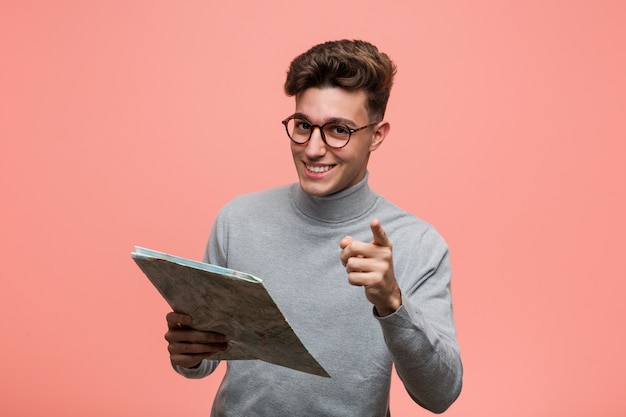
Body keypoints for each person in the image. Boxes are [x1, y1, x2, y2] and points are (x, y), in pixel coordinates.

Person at [164, 39, 463, 416]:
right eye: (303, 125)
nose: (313, 149)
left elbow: (440, 396)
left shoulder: (418, 243)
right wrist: (190, 353)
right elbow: (204, 361)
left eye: (338, 130)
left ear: (378, 135)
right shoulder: (237, 219)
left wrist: (392, 302)